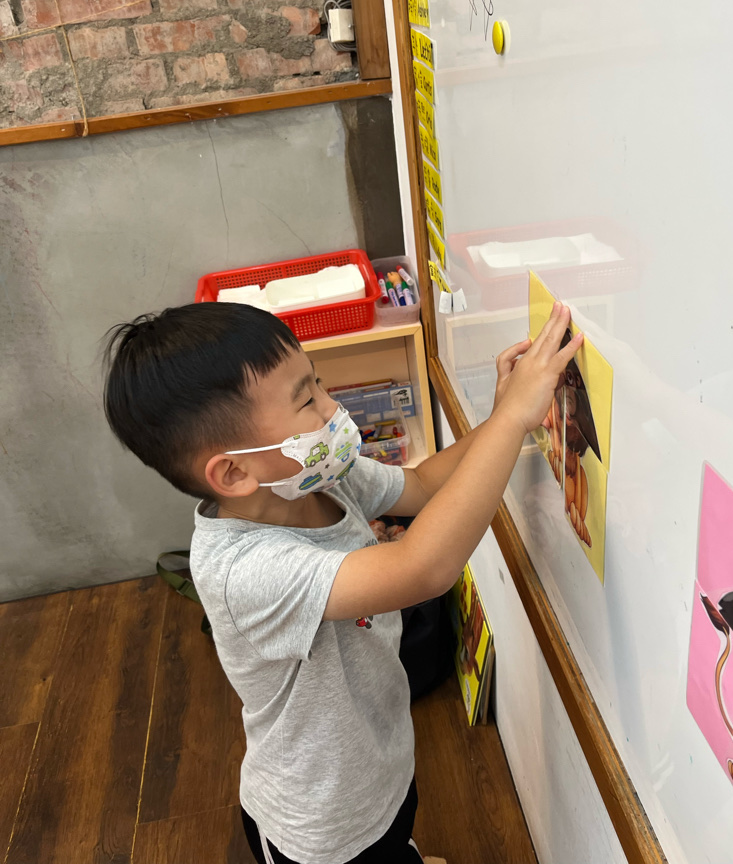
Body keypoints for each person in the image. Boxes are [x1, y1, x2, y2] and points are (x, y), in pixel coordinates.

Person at [102, 299, 581, 864]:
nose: (333, 407)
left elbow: (422, 486)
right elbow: (422, 568)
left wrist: (496, 419)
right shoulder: (243, 570)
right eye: (306, 400)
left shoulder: (322, 479)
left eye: (319, 383)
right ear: (233, 471)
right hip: (324, 826)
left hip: (378, 761)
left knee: (395, 826)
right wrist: (512, 421)